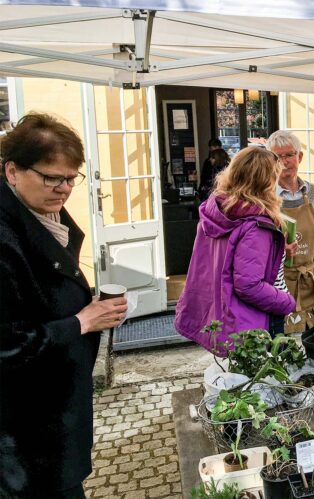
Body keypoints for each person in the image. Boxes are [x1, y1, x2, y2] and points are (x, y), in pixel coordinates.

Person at [0, 113, 128, 497]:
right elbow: (6, 343)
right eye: (52, 177)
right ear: (12, 172)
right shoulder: (6, 237)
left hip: (54, 418)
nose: (64, 189)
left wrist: (86, 307)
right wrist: (81, 322)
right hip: (25, 436)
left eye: (71, 178)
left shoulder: (42, 213)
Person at [175, 147, 296, 349]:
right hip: (258, 317)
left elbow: (223, 262)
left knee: (240, 376)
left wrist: (278, 251)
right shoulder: (256, 225)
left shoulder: (216, 210)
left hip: (229, 315)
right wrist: (287, 302)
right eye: (274, 176)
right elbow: (249, 285)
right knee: (268, 377)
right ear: (265, 182)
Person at [267, 130, 314, 334]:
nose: (284, 162)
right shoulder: (266, 198)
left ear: (299, 157)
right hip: (285, 284)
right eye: (277, 157)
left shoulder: (313, 192)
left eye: (289, 155)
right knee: (291, 346)